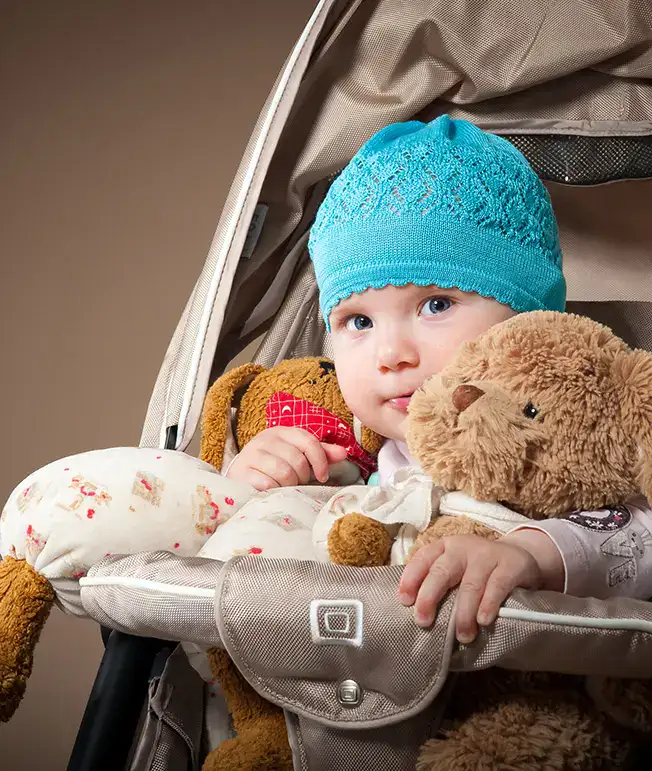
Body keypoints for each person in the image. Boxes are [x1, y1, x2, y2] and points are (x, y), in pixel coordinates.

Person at [227, 116, 652, 643]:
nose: (391, 354)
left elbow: (638, 534)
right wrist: (254, 486)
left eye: (435, 305)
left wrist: (533, 553)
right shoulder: (346, 459)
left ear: (529, 320)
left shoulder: (568, 441)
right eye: (358, 321)